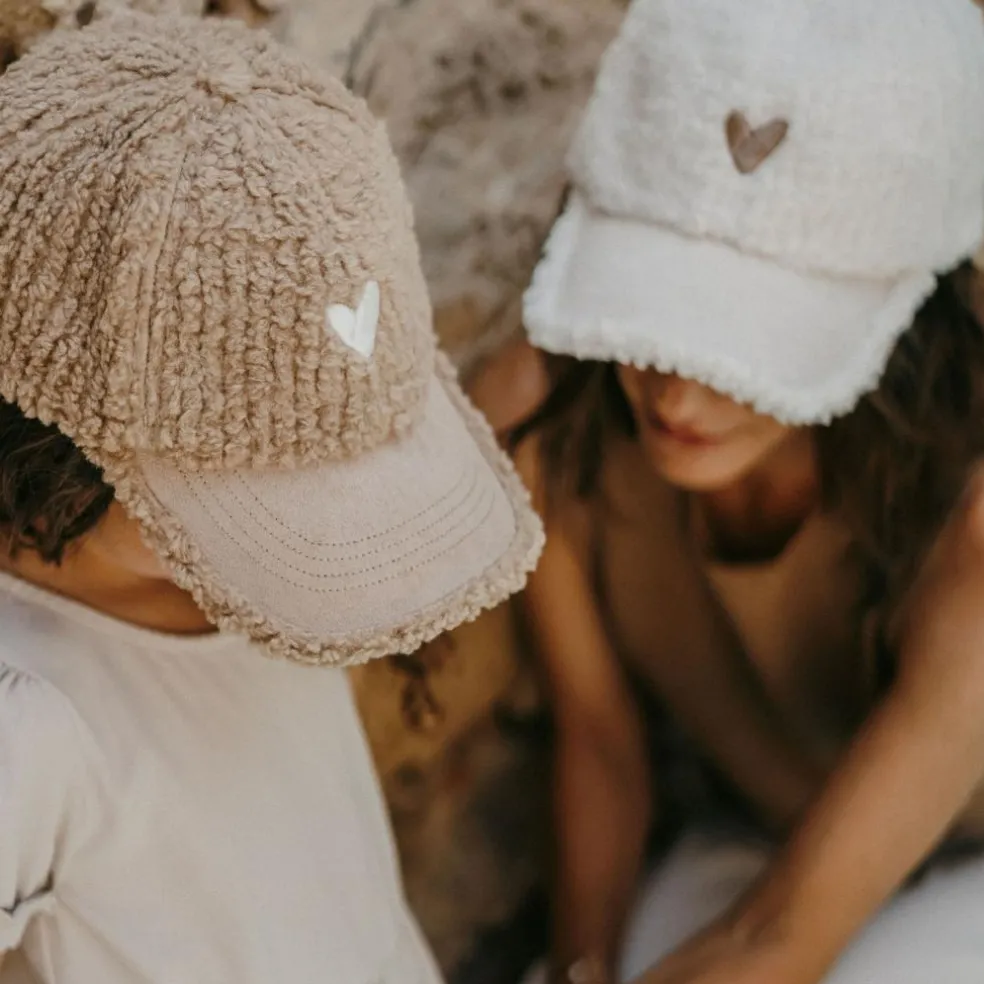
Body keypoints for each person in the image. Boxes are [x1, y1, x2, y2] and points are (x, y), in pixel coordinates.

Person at [0, 13, 543, 983]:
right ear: (61, 444)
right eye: (268, 485)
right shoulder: (28, 713)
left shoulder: (246, 588)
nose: (325, 524)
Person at [479, 0, 984, 981]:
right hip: (761, 836)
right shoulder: (551, 429)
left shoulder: (968, 514)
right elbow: (600, 743)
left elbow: (786, 942)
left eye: (737, 344)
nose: (675, 392)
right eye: (656, 317)